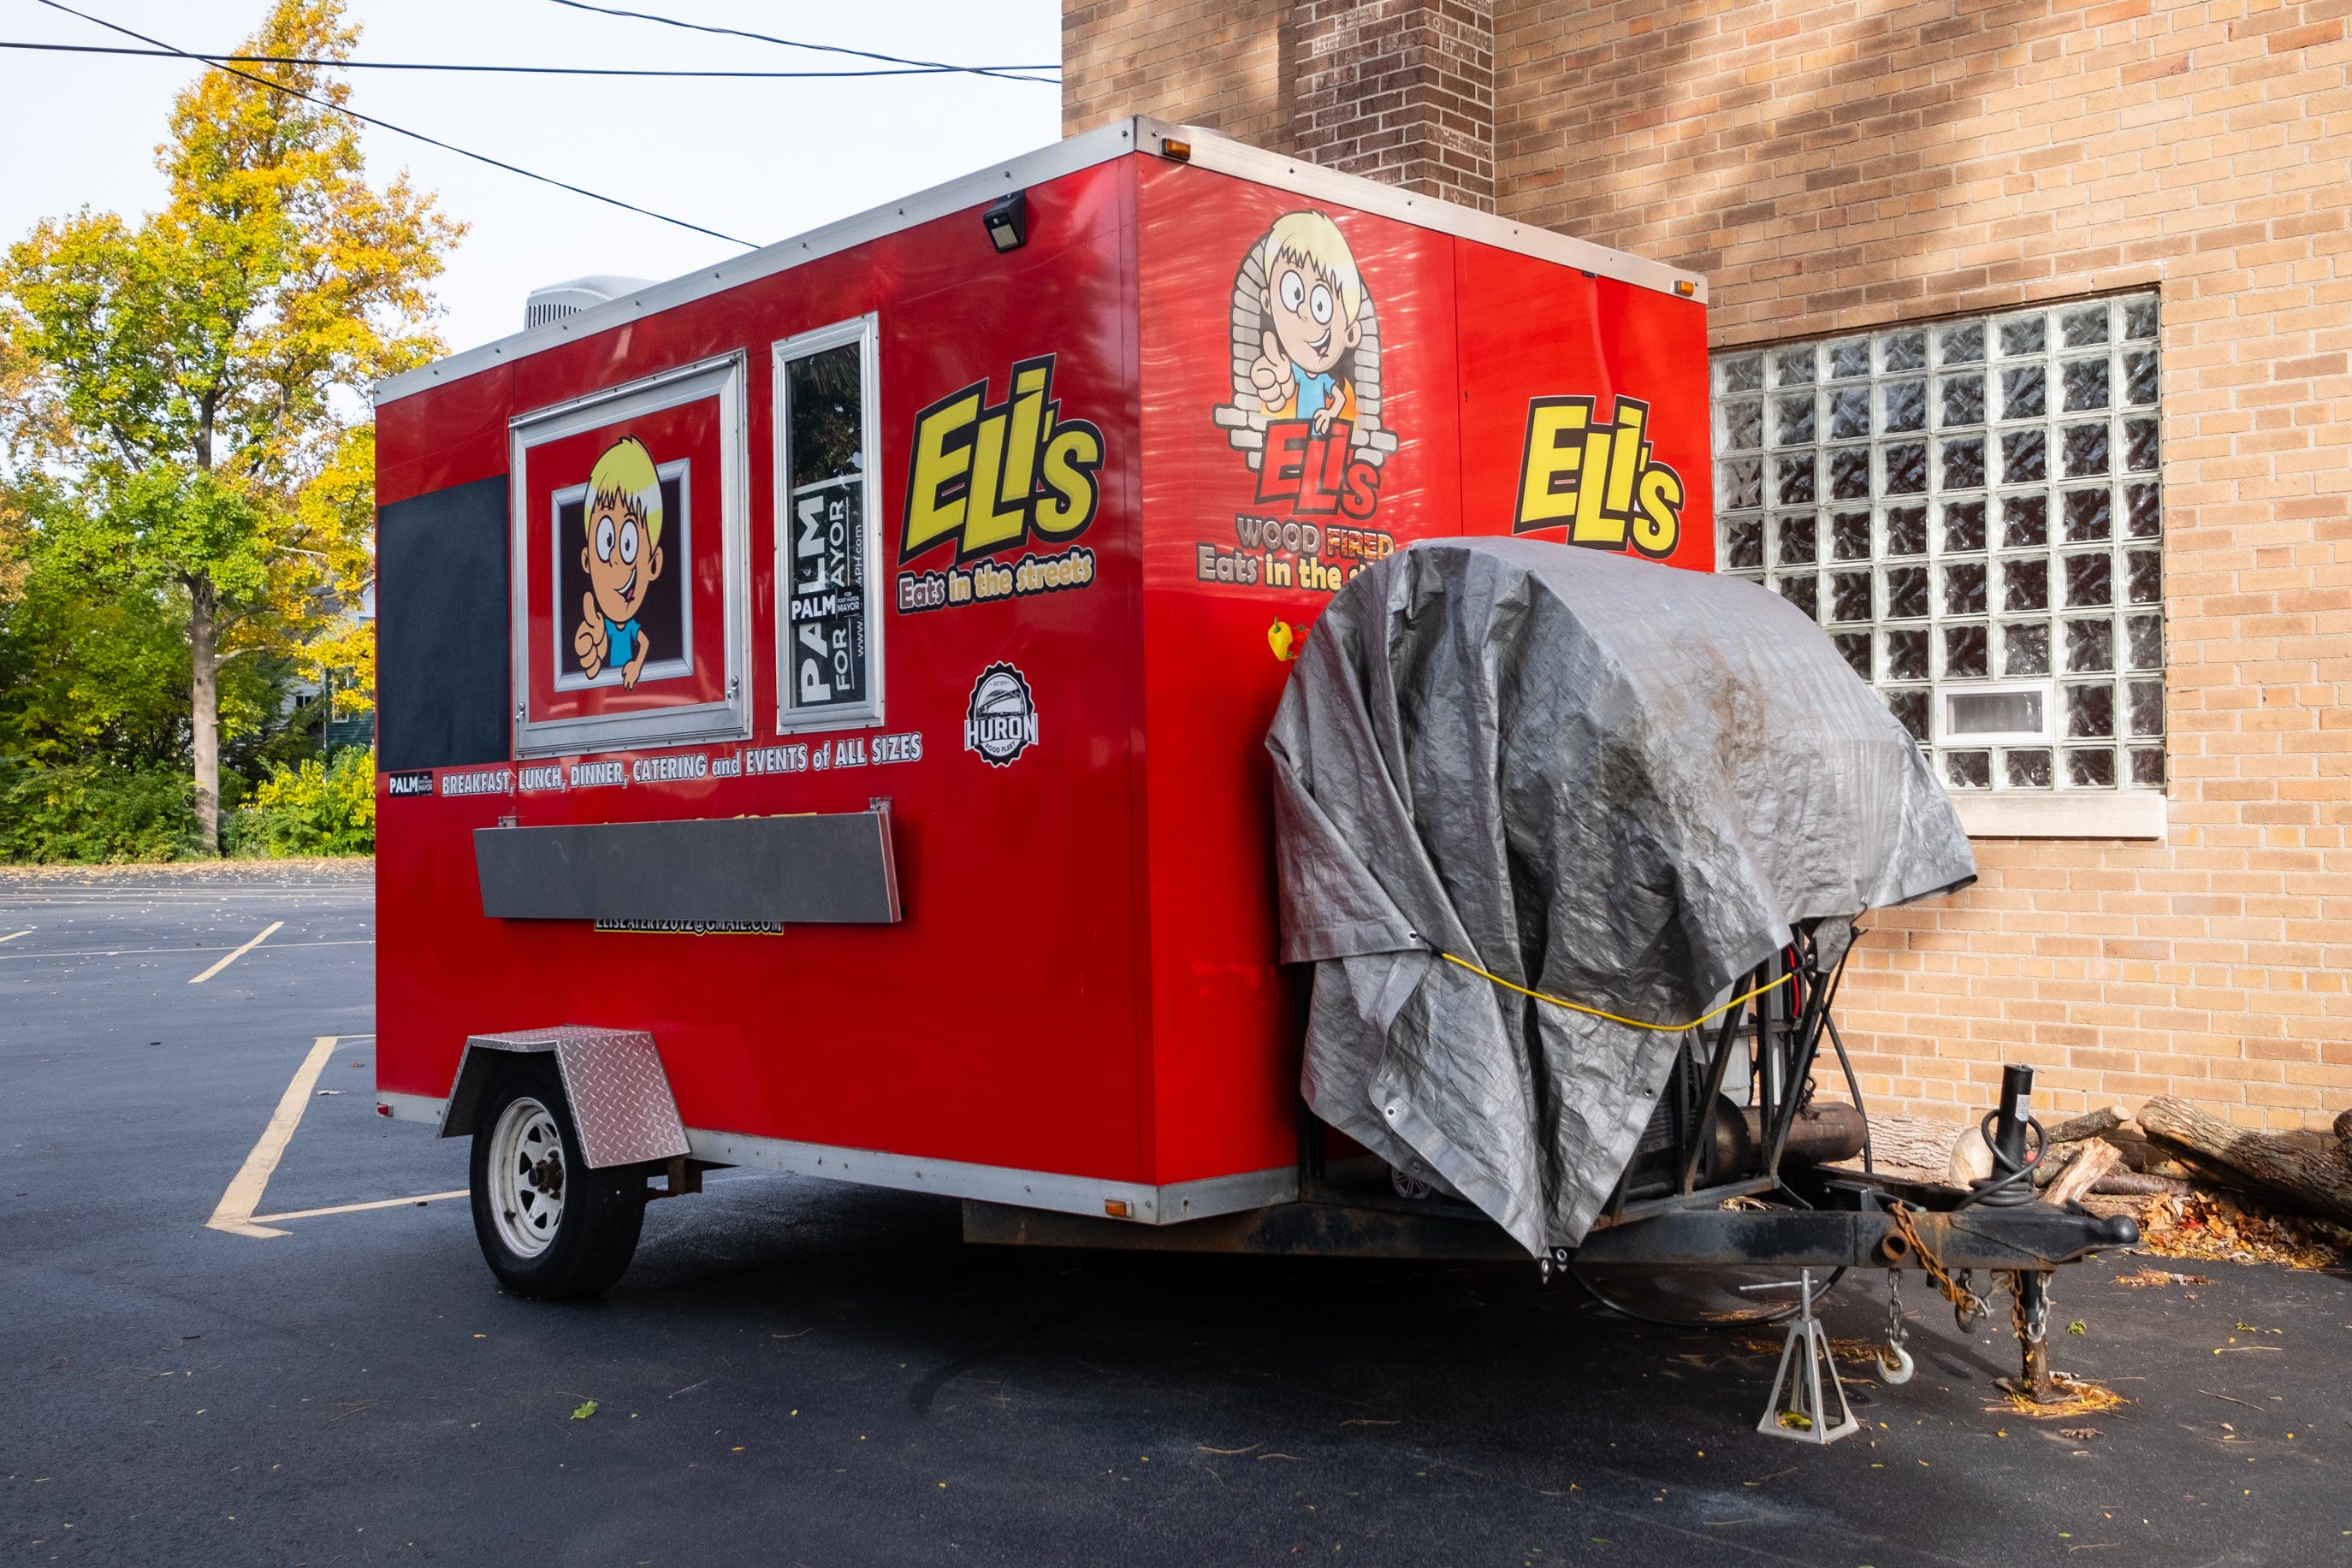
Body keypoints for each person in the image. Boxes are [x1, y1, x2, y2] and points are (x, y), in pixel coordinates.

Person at [1248, 210, 1367, 436]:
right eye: (1293, 293)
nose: (1304, 312)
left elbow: (1340, 397)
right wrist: (1271, 378)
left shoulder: (1324, 378)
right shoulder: (1297, 372)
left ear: (1350, 334)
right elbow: (1284, 382)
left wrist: (1330, 414)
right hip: (1296, 438)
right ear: (1268, 302)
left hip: (1320, 441)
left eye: (1321, 305)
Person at [572, 435, 666, 689]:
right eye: (606, 541)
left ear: (654, 564)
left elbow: (644, 643)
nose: (614, 559)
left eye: (628, 544)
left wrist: (636, 665)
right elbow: (599, 645)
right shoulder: (608, 626)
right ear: (587, 560)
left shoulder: (632, 626)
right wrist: (594, 647)